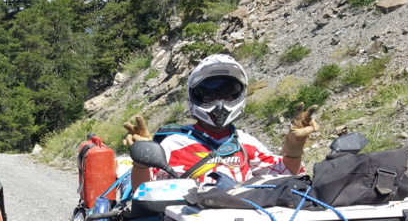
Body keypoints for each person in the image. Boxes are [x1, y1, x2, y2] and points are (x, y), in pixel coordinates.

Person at [127, 53, 318, 189]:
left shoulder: (245, 142)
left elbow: (285, 175)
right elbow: (142, 191)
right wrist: (142, 159)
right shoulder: (173, 144)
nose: (219, 101)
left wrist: (294, 146)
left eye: (228, 91)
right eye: (209, 93)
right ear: (195, 96)